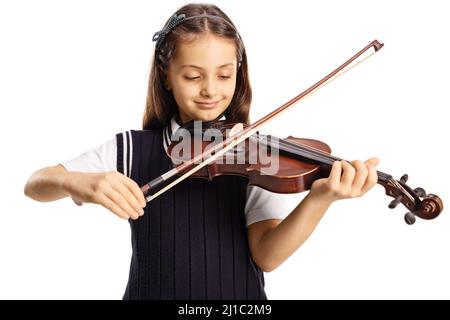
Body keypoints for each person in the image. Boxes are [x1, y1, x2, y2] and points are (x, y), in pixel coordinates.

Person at [23, 3, 379, 300]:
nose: (211, 90)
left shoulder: (251, 152)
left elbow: (267, 255)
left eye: (224, 75)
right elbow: (37, 184)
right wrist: (80, 183)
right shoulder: (132, 148)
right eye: (193, 76)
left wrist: (319, 199)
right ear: (166, 76)